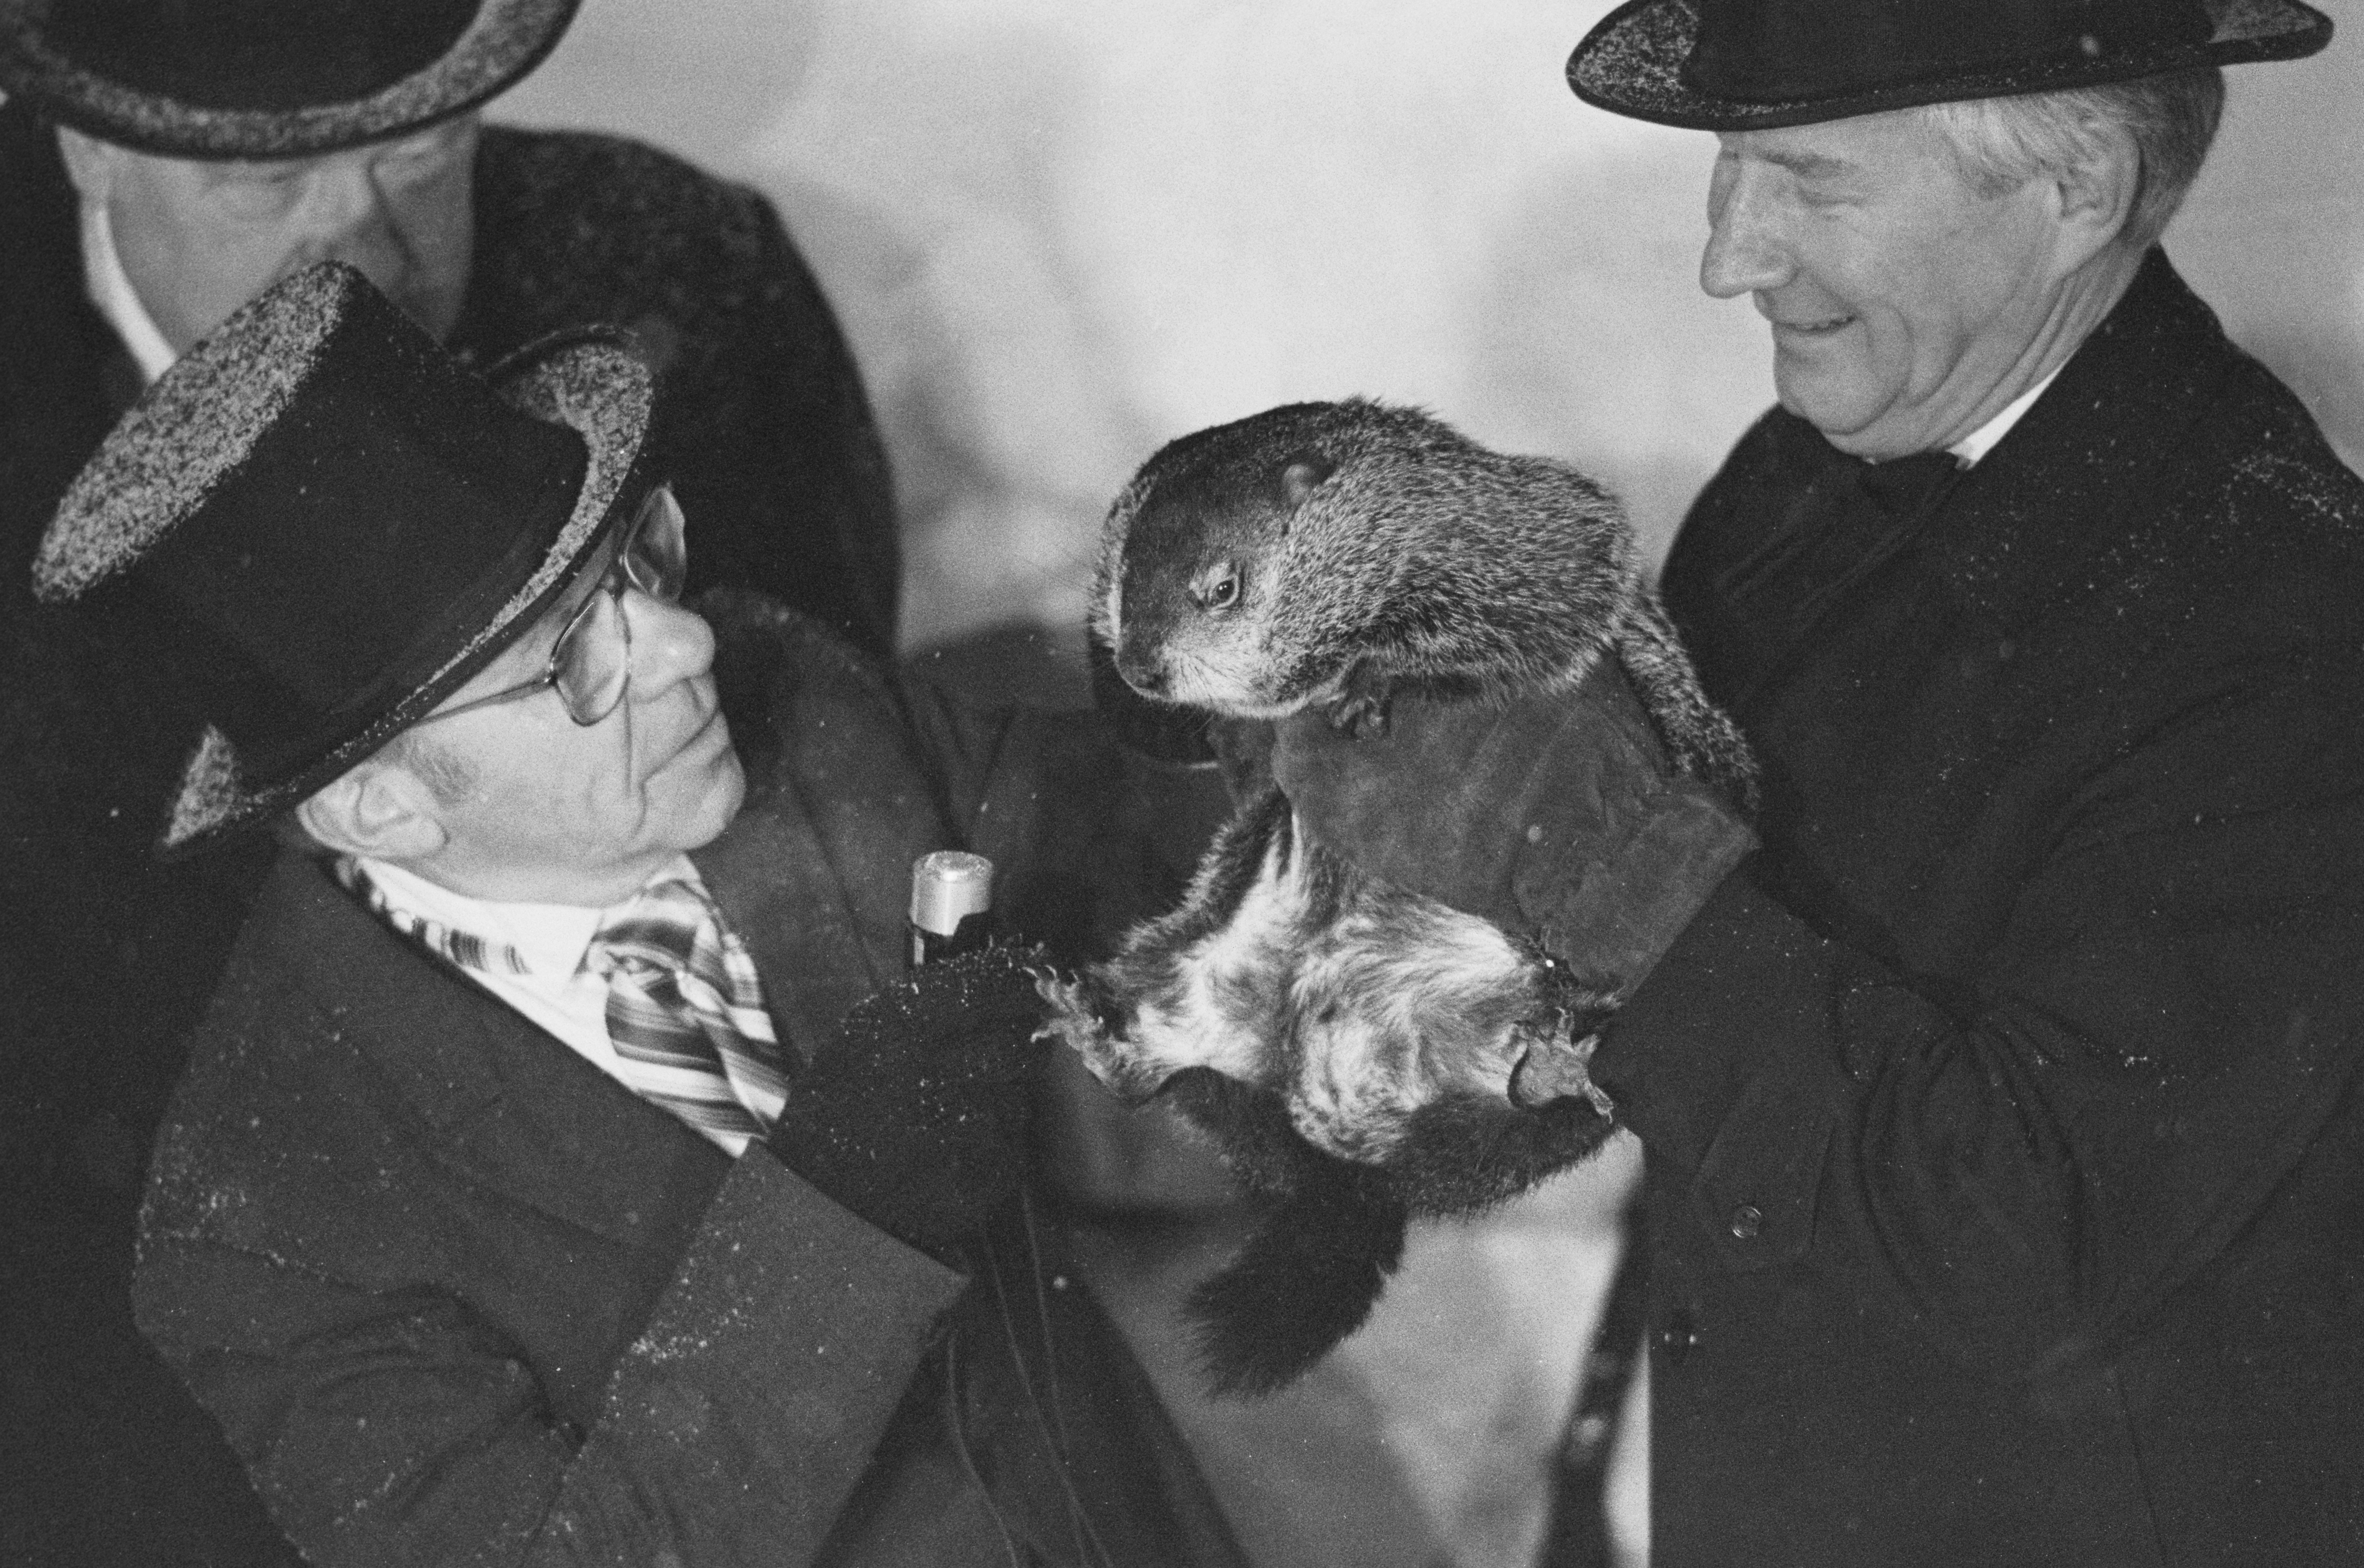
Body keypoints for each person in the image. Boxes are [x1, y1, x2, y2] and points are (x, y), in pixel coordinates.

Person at [1270, 1, 2364, 1563]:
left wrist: (1592, 863)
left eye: (1810, 179)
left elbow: (2020, 1234)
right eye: (1732, 166)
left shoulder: (2294, 626)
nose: (1730, 256)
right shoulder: (1813, 468)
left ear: (2078, 194)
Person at [37, 260, 1240, 1567]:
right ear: (379, 808)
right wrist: (848, 1204)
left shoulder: (801, 709)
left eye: (638, 563)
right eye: (570, 659)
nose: (681, 645)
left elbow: (1136, 835)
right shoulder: (268, 1223)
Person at [0, 4, 898, 1554]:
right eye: (259, 183)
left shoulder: (690, 270)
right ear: (86, 141)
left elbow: (838, 768)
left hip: (714, 1271)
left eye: (420, 148)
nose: (355, 234)